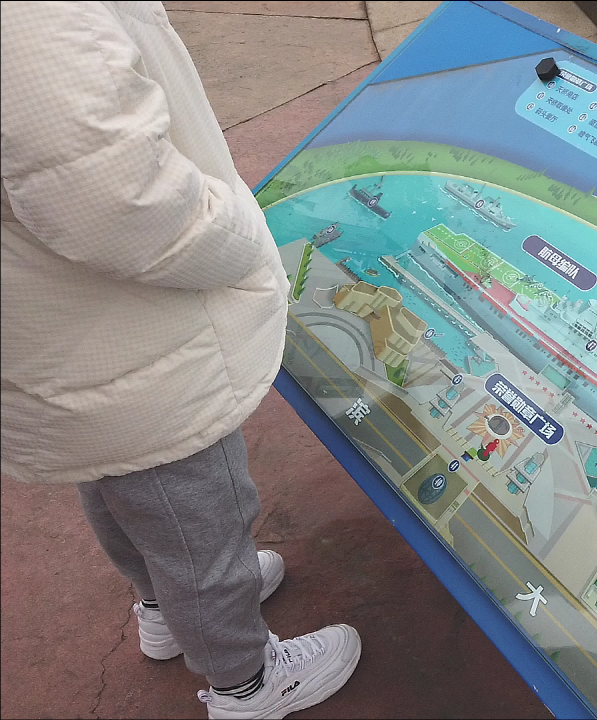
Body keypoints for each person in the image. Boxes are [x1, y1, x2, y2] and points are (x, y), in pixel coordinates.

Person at [0, 2, 361, 718]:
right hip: (137, 334)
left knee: (119, 481)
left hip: (71, 333)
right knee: (202, 520)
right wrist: (242, 236)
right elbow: (115, 197)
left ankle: (164, 607)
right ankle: (247, 683)